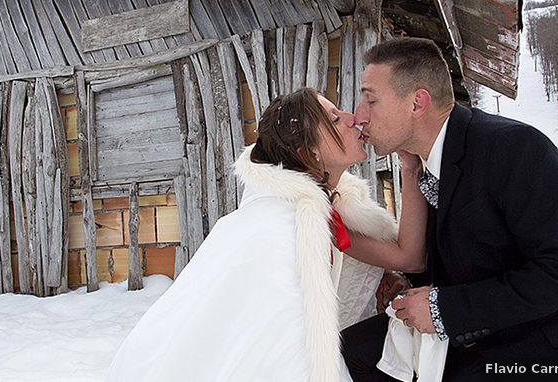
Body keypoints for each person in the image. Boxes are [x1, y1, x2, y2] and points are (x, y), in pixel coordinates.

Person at [341, 37, 558, 381]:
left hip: (550, 347)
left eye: (370, 100)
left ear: (417, 103)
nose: (359, 116)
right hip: (486, 334)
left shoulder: (515, 149)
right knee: (347, 354)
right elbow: (474, 254)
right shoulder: (428, 162)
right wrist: (411, 284)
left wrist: (445, 308)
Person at [108, 87, 425, 382]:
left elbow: (406, 256)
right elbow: (275, 339)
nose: (352, 118)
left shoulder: (324, 211)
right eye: (334, 119)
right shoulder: (280, 225)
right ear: (310, 151)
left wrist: (410, 170)